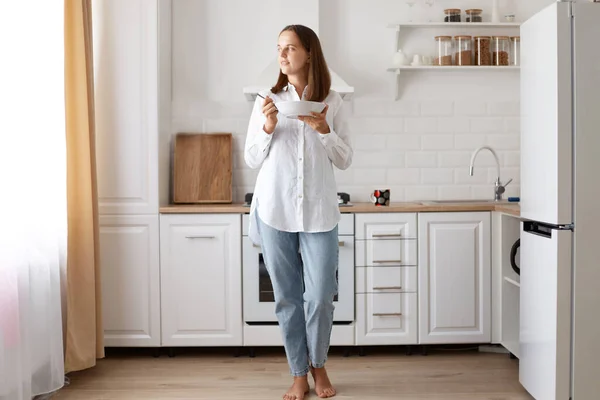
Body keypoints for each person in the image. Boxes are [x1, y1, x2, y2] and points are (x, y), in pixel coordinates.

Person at [244, 24, 353, 400]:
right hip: (275, 209)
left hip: (320, 212)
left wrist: (324, 129)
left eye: (290, 47)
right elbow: (252, 157)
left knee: (321, 294)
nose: (283, 54)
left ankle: (318, 365)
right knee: (287, 297)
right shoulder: (266, 98)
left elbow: (345, 159)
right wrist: (268, 126)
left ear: (309, 52)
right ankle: (298, 374)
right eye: (279, 48)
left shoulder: (333, 102)